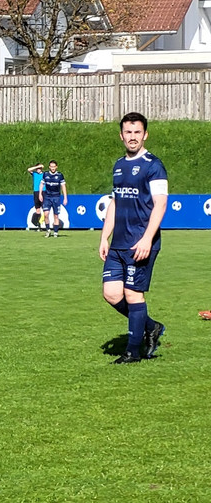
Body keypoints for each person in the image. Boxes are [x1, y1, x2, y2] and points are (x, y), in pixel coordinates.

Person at [98, 112, 167, 364]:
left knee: (133, 294)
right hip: (118, 243)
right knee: (112, 294)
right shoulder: (118, 165)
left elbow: (160, 204)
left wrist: (148, 239)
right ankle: (150, 327)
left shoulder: (153, 165)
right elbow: (115, 202)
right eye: (128, 132)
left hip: (140, 242)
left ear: (145, 134)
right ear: (121, 135)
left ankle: (132, 351)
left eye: (137, 132)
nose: (133, 137)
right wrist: (105, 237)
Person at [41, 160, 68, 237]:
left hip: (56, 197)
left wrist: (65, 198)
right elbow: (41, 184)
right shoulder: (45, 174)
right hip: (47, 196)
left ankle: (55, 232)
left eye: (54, 166)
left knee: (56, 215)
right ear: (49, 167)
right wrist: (40, 194)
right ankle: (48, 230)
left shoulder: (60, 175)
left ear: (56, 167)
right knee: (46, 214)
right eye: (51, 166)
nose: (52, 168)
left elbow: (63, 186)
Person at [27, 163, 46, 230]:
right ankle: (39, 225)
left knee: (44, 209)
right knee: (37, 209)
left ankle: (45, 224)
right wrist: (37, 166)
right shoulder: (34, 174)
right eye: (38, 168)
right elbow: (29, 170)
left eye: (40, 168)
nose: (38, 169)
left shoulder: (44, 174)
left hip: (43, 192)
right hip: (36, 192)